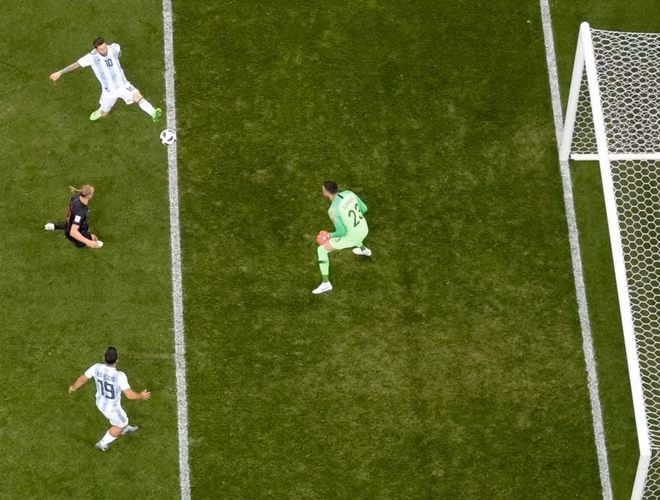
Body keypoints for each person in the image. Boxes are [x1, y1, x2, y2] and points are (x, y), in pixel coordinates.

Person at [49, 37, 162, 122]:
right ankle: (101, 111)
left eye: (105, 47)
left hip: (124, 85)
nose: (104, 50)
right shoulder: (91, 57)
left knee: (137, 96)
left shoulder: (113, 48)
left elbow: (118, 52)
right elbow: (76, 64)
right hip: (109, 92)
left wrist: (118, 56)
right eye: (101, 49)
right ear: (96, 49)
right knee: (104, 113)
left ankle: (153, 113)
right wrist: (60, 72)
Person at [68, 346, 151, 451]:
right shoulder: (119, 376)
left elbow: (82, 379)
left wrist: (73, 387)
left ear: (104, 357)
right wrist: (142, 396)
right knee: (121, 424)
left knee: (122, 418)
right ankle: (103, 443)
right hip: (112, 408)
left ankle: (123, 426)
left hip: (100, 402)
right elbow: (130, 395)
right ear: (117, 360)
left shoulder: (96, 367)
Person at [313, 181, 372, 294]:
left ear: (326, 192)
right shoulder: (349, 193)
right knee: (354, 233)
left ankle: (326, 284)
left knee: (321, 250)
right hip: (364, 228)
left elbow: (341, 232)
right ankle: (365, 251)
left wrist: (329, 235)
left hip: (353, 237)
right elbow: (364, 208)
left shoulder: (333, 210)